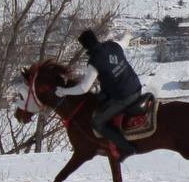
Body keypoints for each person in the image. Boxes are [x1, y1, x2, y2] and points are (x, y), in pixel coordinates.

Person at [58, 29, 143, 160]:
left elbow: (84, 88)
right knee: (100, 98)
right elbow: (125, 42)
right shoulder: (113, 45)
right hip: (136, 87)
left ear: (85, 47)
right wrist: (127, 34)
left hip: (124, 97)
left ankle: (126, 148)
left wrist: (63, 91)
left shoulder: (94, 62)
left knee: (97, 122)